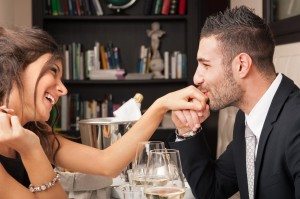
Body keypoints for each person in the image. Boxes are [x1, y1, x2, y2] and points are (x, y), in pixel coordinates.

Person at [0, 26, 205, 198]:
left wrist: (161, 106)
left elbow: (107, 163)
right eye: (53, 71)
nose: (63, 89)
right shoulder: (31, 141)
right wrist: (31, 150)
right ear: (13, 68)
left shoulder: (35, 133)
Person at [169, 6, 300, 199]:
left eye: (206, 65)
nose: (196, 78)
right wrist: (188, 131)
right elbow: (211, 191)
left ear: (241, 65)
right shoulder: (247, 118)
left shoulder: (296, 122)